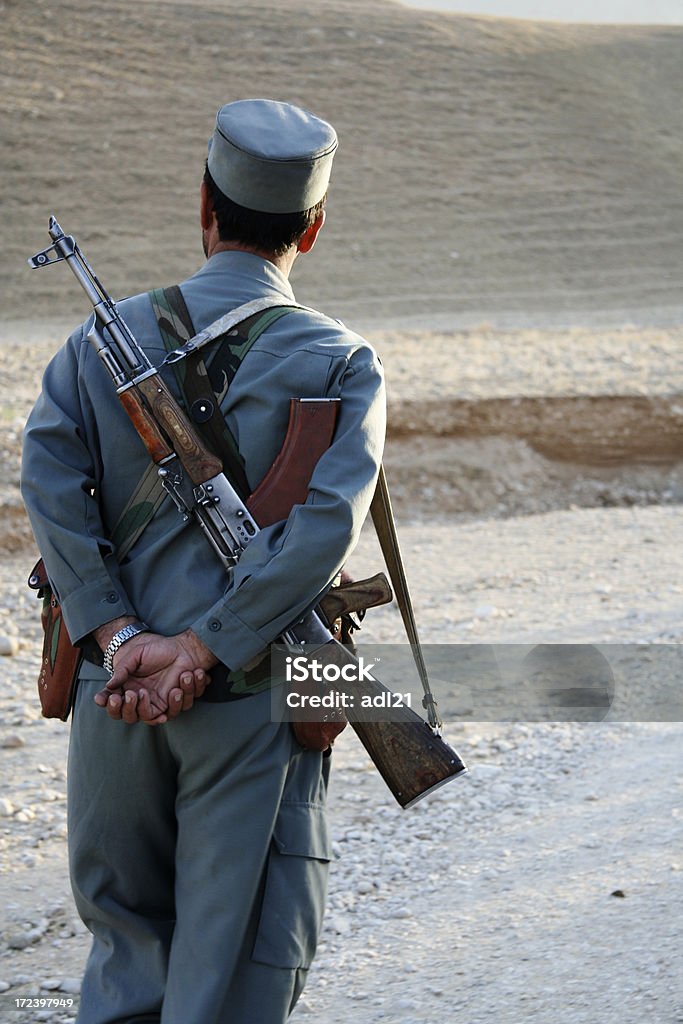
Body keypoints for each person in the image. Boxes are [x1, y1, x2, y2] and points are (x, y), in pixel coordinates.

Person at [21, 98, 386, 1024]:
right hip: (251, 697)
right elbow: (324, 529)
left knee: (123, 955)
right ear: (314, 227)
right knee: (234, 969)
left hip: (116, 692)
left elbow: (50, 486)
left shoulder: (97, 345)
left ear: (203, 205)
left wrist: (121, 631)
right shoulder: (342, 363)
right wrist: (204, 649)